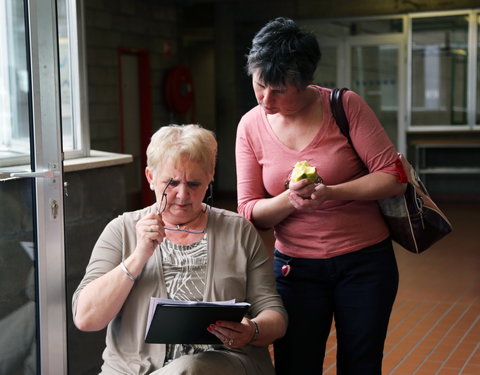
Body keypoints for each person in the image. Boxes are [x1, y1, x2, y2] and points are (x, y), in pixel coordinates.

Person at [235, 17, 407, 375]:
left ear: (305, 81)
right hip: (294, 269)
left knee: (360, 364)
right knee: (296, 364)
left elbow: (393, 177)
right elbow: (250, 211)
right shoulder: (250, 126)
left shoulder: (344, 106)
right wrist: (289, 199)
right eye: (260, 85)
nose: (267, 99)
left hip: (365, 264)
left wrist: (330, 193)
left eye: (280, 90)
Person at [73, 124, 287, 375]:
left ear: (210, 176)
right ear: (150, 177)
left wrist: (252, 330)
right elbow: (86, 318)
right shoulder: (121, 230)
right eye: (172, 182)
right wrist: (139, 255)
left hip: (221, 365)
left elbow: (275, 315)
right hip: (131, 369)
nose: (182, 195)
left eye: (194, 183)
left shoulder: (238, 231)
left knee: (188, 369)